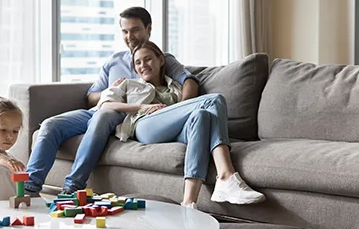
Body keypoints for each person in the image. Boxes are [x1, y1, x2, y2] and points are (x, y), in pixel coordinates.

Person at [23, 6, 199, 195]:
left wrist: (178, 110)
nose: (129, 36)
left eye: (135, 30)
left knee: (104, 115)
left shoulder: (159, 58)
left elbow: (189, 81)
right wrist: (110, 90)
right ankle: (30, 188)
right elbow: (91, 97)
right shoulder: (114, 61)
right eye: (125, 31)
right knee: (51, 125)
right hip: (100, 108)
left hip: (126, 116)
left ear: (148, 29)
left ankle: (73, 186)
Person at [98, 41, 265, 208]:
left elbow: (184, 109)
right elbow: (105, 105)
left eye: (148, 59)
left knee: (202, 116)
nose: (143, 65)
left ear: (161, 60)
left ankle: (188, 203)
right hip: (144, 125)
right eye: (138, 62)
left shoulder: (176, 87)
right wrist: (141, 106)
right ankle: (226, 176)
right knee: (214, 100)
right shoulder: (128, 83)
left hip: (173, 129)